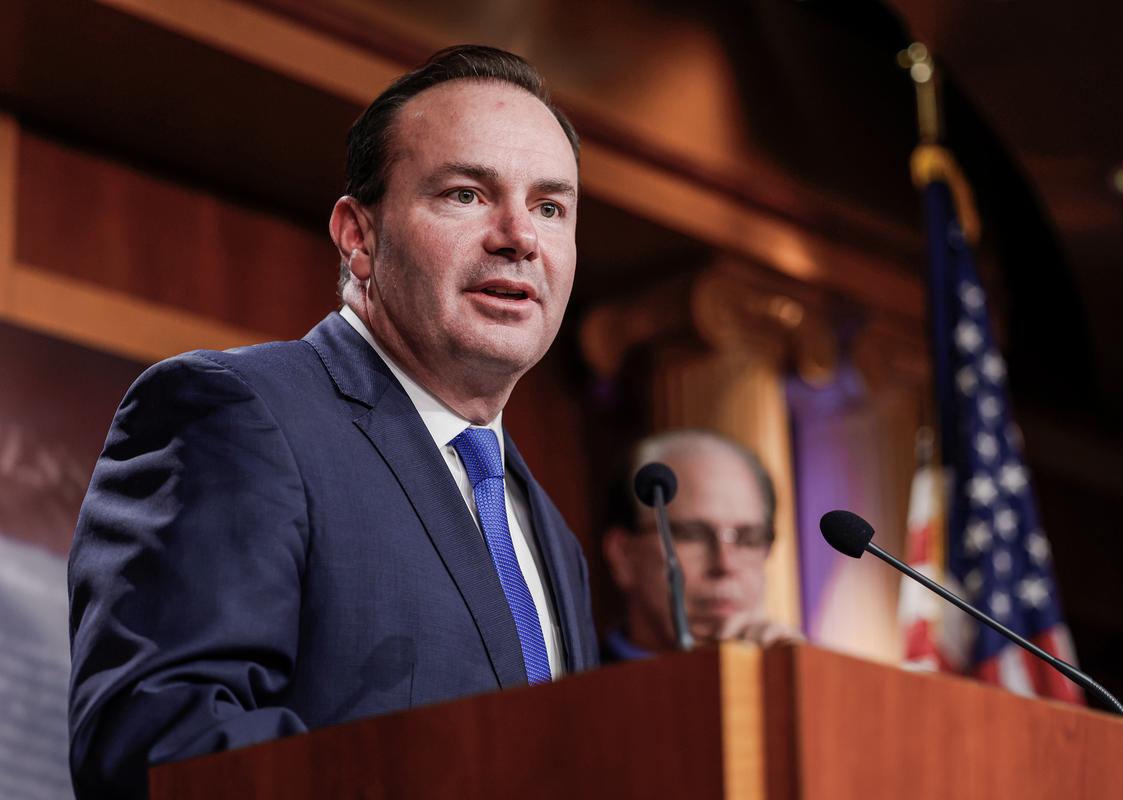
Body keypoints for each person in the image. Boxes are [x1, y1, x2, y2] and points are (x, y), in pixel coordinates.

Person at [67, 45, 598, 799]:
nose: (520, 236)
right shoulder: (235, 413)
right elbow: (160, 743)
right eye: (466, 195)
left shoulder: (549, 533)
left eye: (551, 207)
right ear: (359, 237)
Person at [600, 429, 803, 660]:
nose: (726, 564)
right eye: (693, 535)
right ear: (623, 555)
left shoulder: (801, 676)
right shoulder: (571, 689)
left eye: (749, 539)